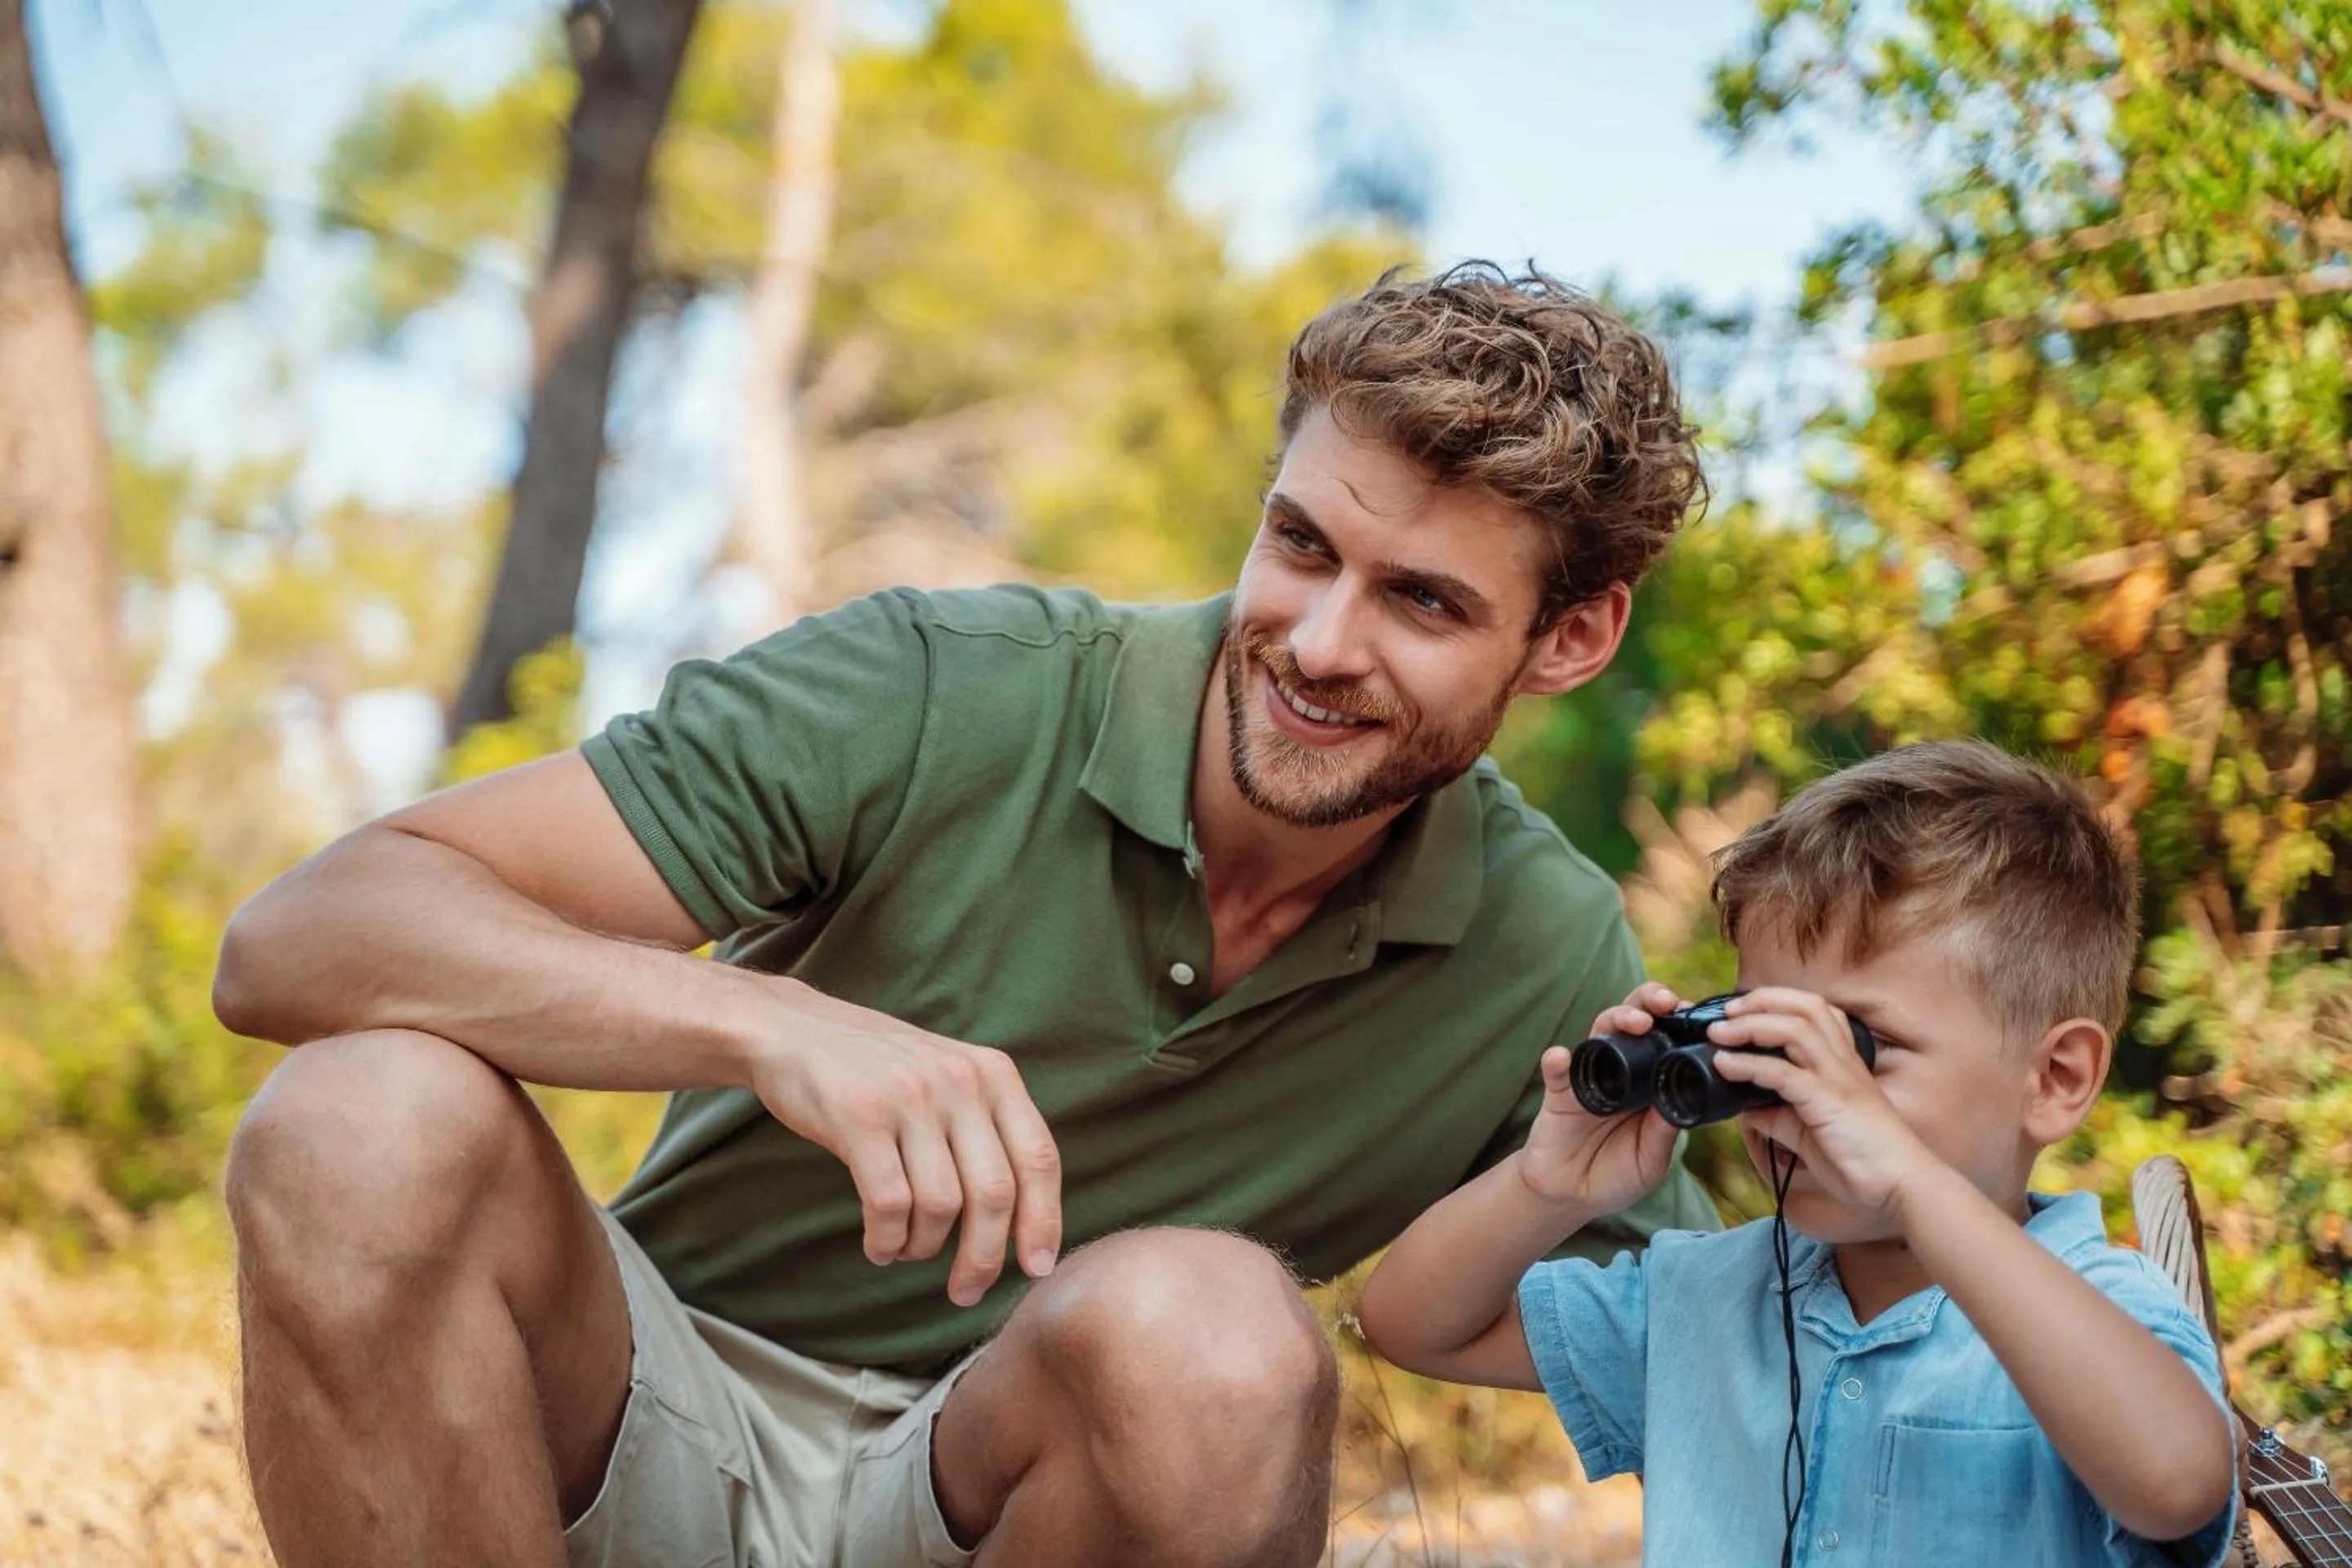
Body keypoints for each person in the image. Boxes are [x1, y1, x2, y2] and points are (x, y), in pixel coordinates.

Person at [212, 261, 1722, 1568]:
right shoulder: (946, 685)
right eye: (1303, 546)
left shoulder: (1544, 948)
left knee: (1215, 1335)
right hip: (624, 1436)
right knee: (360, 1117)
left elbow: (1728, 1351)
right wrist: (769, 1020)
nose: (1319, 643)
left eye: (1424, 603)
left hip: (1012, 1511)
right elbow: (304, 936)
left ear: (1571, 637)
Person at [1358, 738, 2242, 1566]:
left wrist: (1906, 1180)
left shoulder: (2100, 1308)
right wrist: (1546, 1186)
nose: (1796, 1091)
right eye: (1764, 1040)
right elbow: (1409, 1326)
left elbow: (2177, 1485)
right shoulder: (1701, 1302)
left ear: (2055, 1079)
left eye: (1858, 1048)